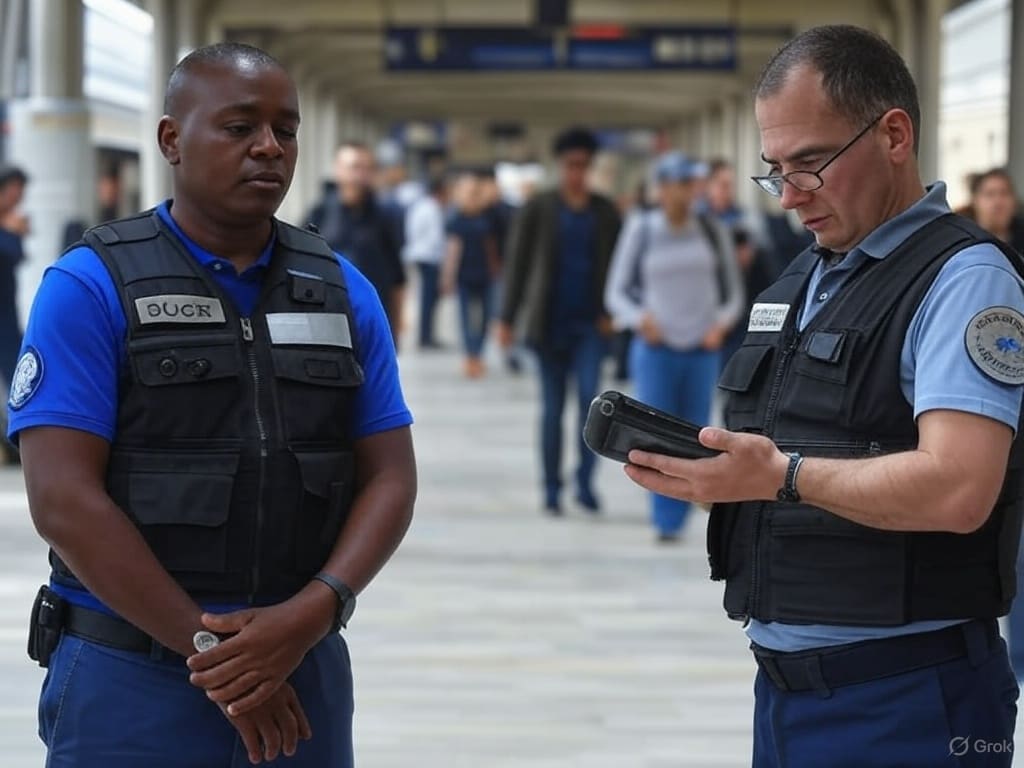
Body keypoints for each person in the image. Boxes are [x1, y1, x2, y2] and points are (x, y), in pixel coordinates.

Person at [623, 25, 1024, 766]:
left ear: (895, 135)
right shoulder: (801, 283)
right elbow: (805, 468)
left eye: (811, 163)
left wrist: (780, 475)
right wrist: (723, 480)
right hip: (786, 695)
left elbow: (960, 488)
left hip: (909, 698)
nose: (789, 196)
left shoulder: (964, 280)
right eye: (774, 170)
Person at [9, 42, 416, 767]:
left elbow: (390, 475)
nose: (269, 148)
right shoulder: (89, 285)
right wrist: (218, 659)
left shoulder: (342, 289)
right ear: (172, 139)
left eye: (285, 130)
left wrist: (314, 611)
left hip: (301, 665)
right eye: (239, 127)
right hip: (132, 678)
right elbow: (61, 498)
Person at [604, 151, 742, 542]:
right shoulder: (642, 229)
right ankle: (664, 516)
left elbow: (733, 292)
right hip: (656, 348)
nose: (690, 192)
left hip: (701, 347)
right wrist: (638, 319)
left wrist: (721, 323)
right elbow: (616, 292)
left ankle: (688, 505)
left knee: (694, 434)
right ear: (663, 188)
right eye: (682, 184)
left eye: (693, 184)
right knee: (656, 433)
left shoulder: (712, 228)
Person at [498, 127, 621, 515]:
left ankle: (584, 483)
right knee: (552, 409)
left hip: (590, 325)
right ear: (559, 166)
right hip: (547, 324)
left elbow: (618, 266)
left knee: (590, 403)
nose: (577, 172)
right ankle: (551, 487)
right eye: (571, 165)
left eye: (584, 165)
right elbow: (517, 263)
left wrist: (613, 314)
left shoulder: (605, 211)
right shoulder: (539, 207)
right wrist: (506, 317)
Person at [307, 141, 406, 347]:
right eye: (354, 167)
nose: (359, 175)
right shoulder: (320, 214)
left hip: (371, 319)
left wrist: (396, 326)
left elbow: (397, 275)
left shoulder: (385, 216)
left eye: (366, 168)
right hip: (327, 321)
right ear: (337, 169)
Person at [443, 171, 500, 378]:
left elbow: (491, 245)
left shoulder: (487, 217)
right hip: (464, 275)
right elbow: (452, 250)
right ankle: (470, 356)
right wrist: (448, 276)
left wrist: (495, 268)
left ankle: (479, 353)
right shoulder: (456, 218)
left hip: (484, 274)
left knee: (485, 317)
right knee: (466, 318)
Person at [403, 174, 448, 349]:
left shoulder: (420, 206)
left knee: (427, 298)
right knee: (429, 299)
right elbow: (436, 238)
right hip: (429, 258)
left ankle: (426, 335)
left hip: (419, 255)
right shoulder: (432, 208)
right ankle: (426, 337)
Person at [0, 165, 28, 393]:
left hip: (6, 302)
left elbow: (18, 256)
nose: (19, 196)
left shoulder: (14, 220)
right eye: (15, 190)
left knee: (13, 361)